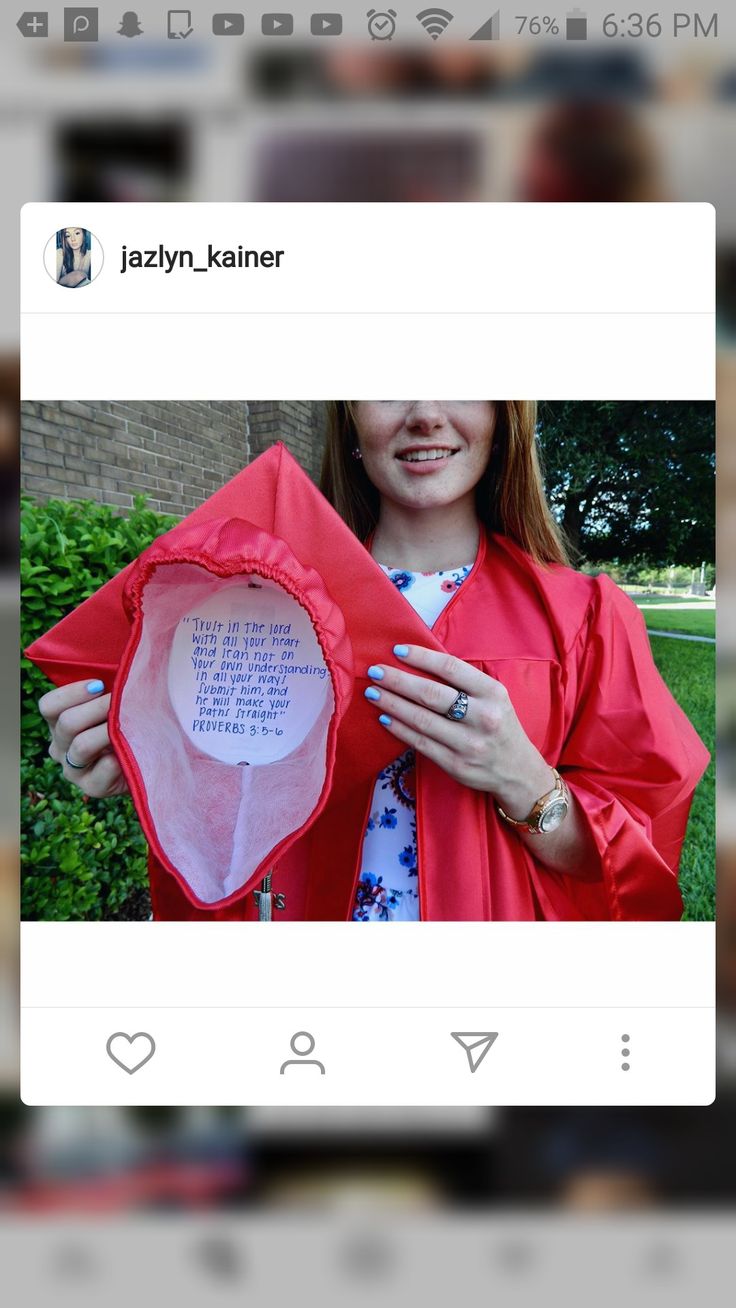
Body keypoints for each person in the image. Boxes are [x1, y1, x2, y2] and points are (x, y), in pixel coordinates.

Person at [39, 401, 709, 921]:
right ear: (350, 421)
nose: (424, 411)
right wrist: (144, 763)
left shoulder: (585, 616)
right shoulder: (251, 598)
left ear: (505, 416)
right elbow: (228, 817)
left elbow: (639, 859)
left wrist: (526, 782)